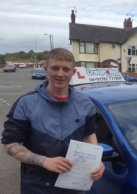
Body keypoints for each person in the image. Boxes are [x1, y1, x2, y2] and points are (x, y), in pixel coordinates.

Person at [1, 48, 105, 194]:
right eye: (55, 68)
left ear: (73, 72)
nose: (60, 74)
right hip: (37, 186)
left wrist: (95, 161)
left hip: (74, 184)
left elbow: (89, 133)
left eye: (66, 69)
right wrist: (44, 161)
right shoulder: (26, 103)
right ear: (46, 69)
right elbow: (9, 144)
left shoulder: (85, 103)